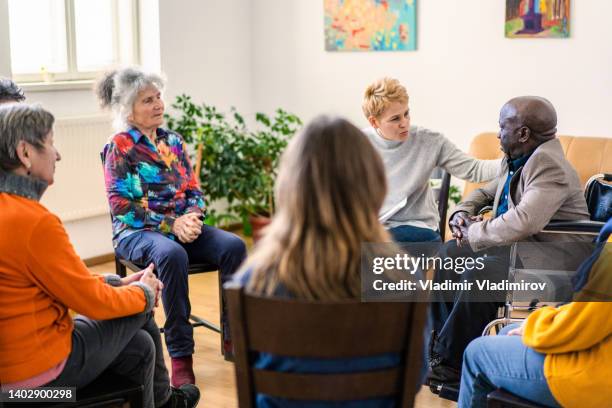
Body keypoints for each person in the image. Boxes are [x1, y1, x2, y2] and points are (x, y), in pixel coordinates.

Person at [0, 104, 199, 407]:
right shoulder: (33, 222)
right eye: (51, 142)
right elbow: (89, 302)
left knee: (141, 346)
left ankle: (165, 401)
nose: (58, 154)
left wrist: (115, 283)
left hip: (10, 376)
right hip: (33, 383)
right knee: (139, 310)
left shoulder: (10, 212)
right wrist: (144, 293)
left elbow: (59, 281)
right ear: (25, 153)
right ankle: (167, 403)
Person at [232, 115, 428, 407]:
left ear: (290, 187)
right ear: (373, 185)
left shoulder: (254, 281)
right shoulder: (406, 279)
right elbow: (415, 378)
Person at [97, 67, 247, 386]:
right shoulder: (119, 147)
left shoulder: (173, 141)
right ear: (128, 109)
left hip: (181, 228)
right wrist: (172, 223)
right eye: (147, 100)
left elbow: (194, 190)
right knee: (173, 254)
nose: (158, 105)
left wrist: (192, 217)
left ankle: (236, 337)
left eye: (159, 97)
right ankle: (181, 354)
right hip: (137, 233)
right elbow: (123, 207)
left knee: (235, 246)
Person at [429, 96, 591, 384]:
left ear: (523, 133)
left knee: (484, 270)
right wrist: (461, 214)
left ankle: (453, 361)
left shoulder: (548, 164)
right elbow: (484, 194)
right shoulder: (517, 158)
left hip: (557, 259)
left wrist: (475, 232)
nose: (498, 134)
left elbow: (525, 220)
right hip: (525, 249)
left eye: (502, 126)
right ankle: (442, 353)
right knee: (450, 254)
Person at [458, 217, 612, 408]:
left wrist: (535, 324)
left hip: (600, 378)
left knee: (476, 353)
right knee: (507, 332)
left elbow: (585, 323)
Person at [361, 77, 499, 243]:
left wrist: (519, 161)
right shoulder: (359, 144)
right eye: (395, 119)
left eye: (406, 114)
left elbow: (474, 169)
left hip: (419, 227)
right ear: (374, 122)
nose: (404, 123)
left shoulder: (429, 140)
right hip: (377, 227)